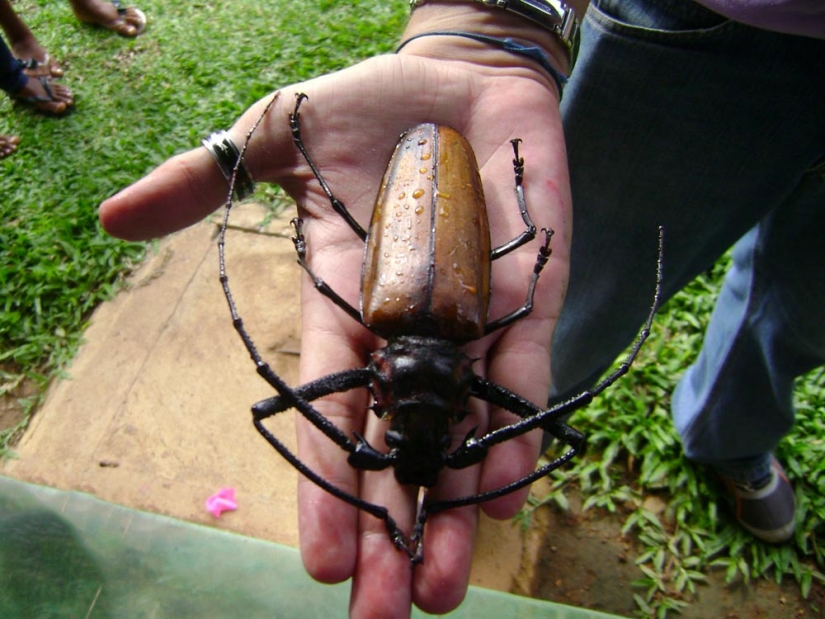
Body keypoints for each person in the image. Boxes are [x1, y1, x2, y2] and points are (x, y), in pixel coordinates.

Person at [98, 1, 824, 617]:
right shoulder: (438, 328)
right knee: (570, 309)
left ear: (377, 393)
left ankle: (733, 435)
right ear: (457, 416)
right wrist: (481, 16)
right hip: (699, 33)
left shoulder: (421, 326)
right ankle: (729, 437)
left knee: (794, 307)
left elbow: (279, 382)